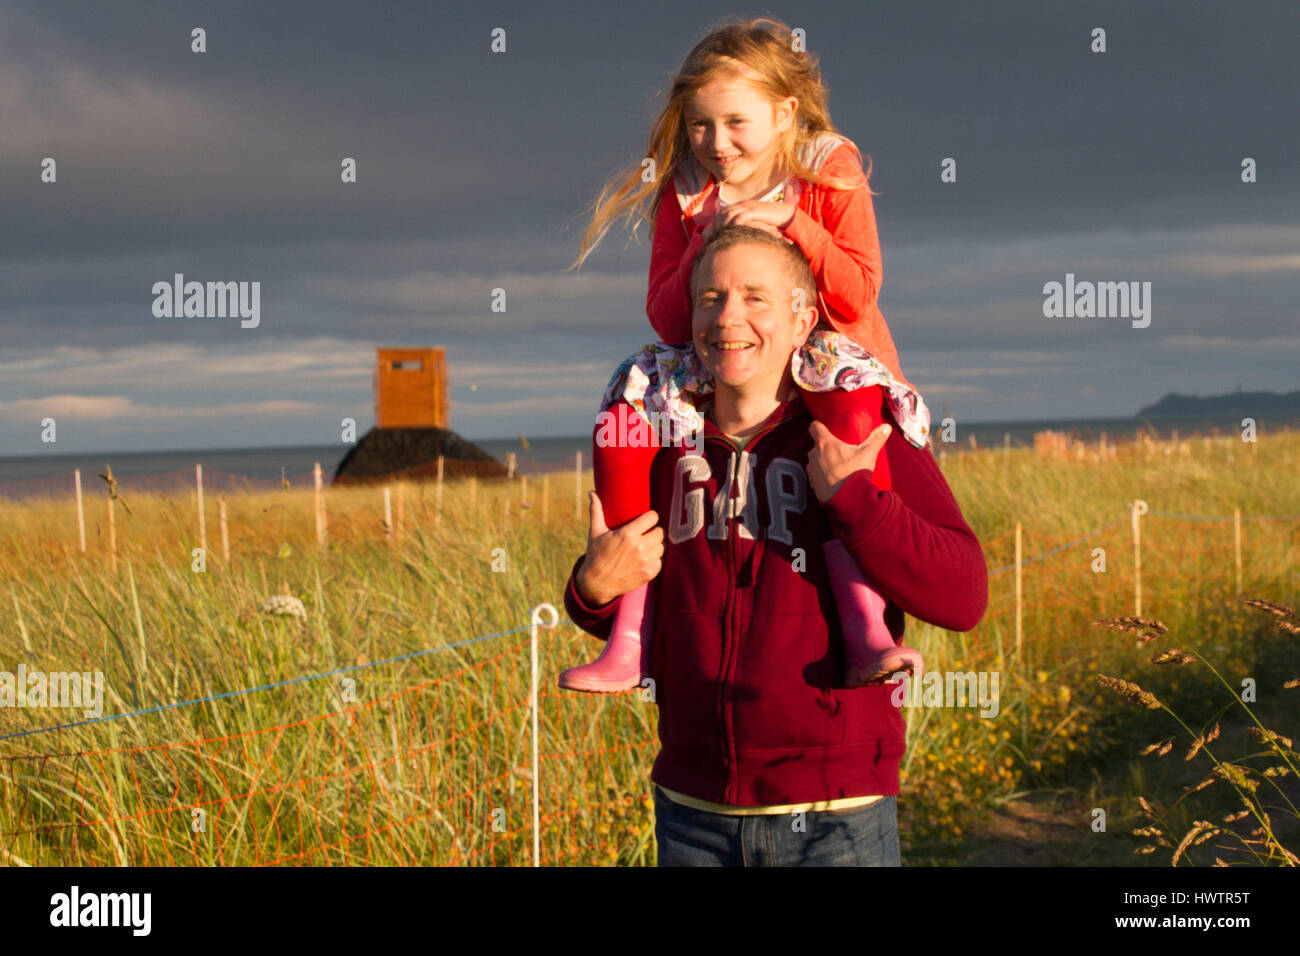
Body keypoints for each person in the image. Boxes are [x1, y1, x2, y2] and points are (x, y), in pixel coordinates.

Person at [563, 225, 987, 865]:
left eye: (755, 297)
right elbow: (631, 596)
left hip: (834, 818)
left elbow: (963, 597)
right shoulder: (660, 439)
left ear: (803, 318)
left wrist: (854, 498)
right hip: (692, 813)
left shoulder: (863, 439)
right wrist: (591, 588)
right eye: (711, 297)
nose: (728, 317)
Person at [560, 17, 929, 694]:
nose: (717, 143)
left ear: (785, 113)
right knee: (625, 406)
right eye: (700, 124)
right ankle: (628, 633)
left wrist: (796, 226)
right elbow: (668, 316)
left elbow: (857, 292)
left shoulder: (825, 167)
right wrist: (704, 240)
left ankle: (865, 624)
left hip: (823, 345)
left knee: (845, 399)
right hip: (719, 354)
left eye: (736, 122)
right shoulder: (687, 188)